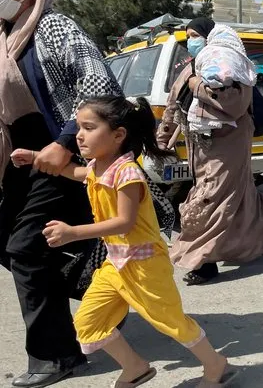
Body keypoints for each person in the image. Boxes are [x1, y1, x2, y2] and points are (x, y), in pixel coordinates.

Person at [11, 96, 237, 388]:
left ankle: (216, 365)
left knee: (170, 321)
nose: (79, 135)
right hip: (115, 265)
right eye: (79, 127)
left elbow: (124, 222)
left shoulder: (127, 173)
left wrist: (73, 232)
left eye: (89, 127)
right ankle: (135, 368)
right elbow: (73, 172)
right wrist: (34, 155)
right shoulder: (96, 167)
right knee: (88, 323)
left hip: (144, 265)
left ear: (118, 135)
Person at [0, 0, 123, 387]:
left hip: (62, 161)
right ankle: (104, 291)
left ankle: (55, 356)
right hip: (20, 164)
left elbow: (101, 85)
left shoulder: (52, 26)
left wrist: (65, 141)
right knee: (12, 243)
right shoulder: (6, 35)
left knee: (27, 248)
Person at [157, 18, 263, 285]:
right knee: (240, 195)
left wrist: (198, 86)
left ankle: (204, 261)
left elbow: (234, 105)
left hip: (229, 143)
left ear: (209, 36)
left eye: (195, 35)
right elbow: (174, 103)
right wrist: (163, 136)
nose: (190, 41)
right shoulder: (191, 69)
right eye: (188, 36)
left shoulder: (230, 68)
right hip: (200, 146)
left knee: (211, 197)